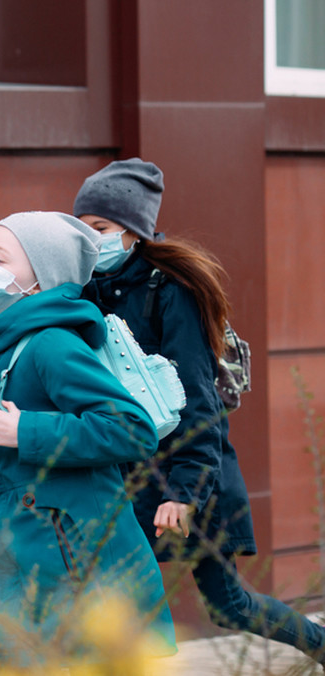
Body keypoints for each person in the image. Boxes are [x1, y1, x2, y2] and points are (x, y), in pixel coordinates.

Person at [75, 159, 325, 663]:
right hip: (124, 469)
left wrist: (184, 491)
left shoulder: (169, 290)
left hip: (187, 470)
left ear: (132, 230)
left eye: (98, 228)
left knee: (229, 605)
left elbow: (196, 397)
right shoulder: (87, 290)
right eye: (80, 228)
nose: (88, 239)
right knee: (107, 597)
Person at [0, 211, 176, 668]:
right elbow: (21, 473)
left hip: (83, 568)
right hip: (26, 559)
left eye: (0, 258)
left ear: (38, 283)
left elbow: (131, 428)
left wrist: (27, 430)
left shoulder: (51, 345)